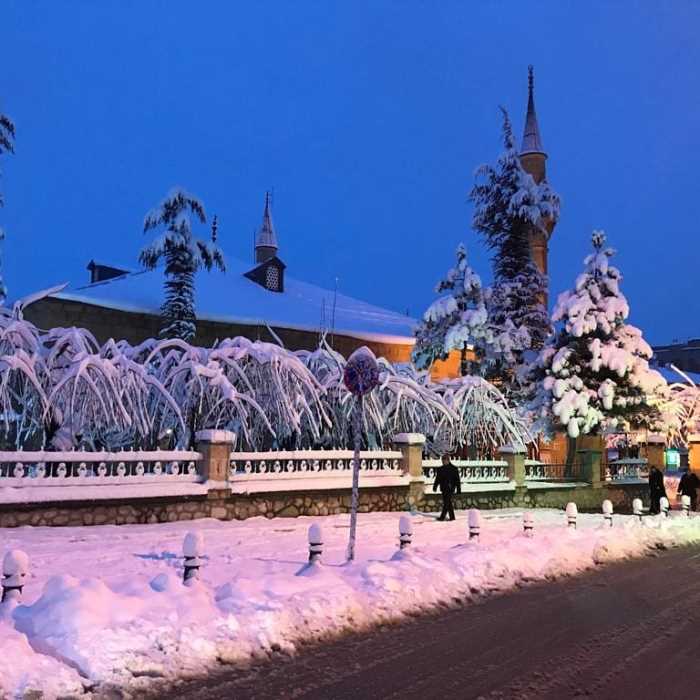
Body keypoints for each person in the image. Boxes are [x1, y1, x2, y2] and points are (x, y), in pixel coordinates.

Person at [433, 454, 461, 521]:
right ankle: (452, 517)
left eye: (444, 460)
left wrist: (458, 489)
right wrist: (435, 486)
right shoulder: (440, 469)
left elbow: (457, 480)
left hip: (450, 488)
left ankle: (442, 517)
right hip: (443, 488)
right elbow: (437, 479)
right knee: (448, 503)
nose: (443, 462)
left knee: (446, 503)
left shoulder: (454, 469)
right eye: (442, 461)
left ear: (448, 460)